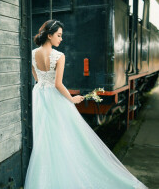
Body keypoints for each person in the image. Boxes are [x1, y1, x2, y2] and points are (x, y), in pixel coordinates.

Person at [23, 19, 148, 189]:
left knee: (43, 139)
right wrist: (72, 99)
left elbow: (37, 79)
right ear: (50, 36)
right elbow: (58, 84)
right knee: (63, 138)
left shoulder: (31, 54)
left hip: (39, 96)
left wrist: (44, 84)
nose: (61, 39)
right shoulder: (59, 56)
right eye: (59, 35)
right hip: (54, 97)